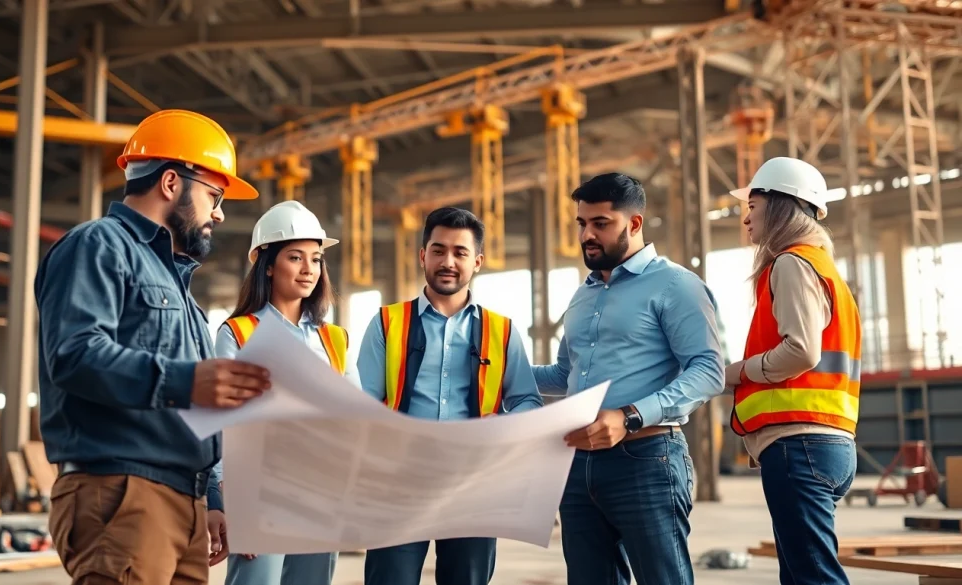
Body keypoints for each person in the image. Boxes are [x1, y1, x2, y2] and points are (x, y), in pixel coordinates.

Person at [35, 109, 271, 585]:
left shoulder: (178, 285)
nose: (219, 213)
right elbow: (74, 353)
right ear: (170, 183)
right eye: (213, 195)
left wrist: (214, 498)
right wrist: (188, 381)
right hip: (123, 491)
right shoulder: (98, 245)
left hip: (185, 500)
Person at [532, 172, 726, 585]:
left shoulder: (676, 285)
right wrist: (497, 373)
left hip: (647, 459)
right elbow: (565, 374)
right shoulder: (583, 295)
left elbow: (708, 371)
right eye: (582, 223)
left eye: (601, 223)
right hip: (578, 465)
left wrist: (630, 416)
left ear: (634, 224)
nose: (588, 234)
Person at [355, 206, 544, 585]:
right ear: (423, 255)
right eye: (438, 250)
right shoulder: (386, 323)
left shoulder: (502, 331)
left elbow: (527, 402)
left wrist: (503, 424)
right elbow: (362, 405)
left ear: (477, 261)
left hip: (474, 485)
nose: (448, 261)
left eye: (460, 252)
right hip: (397, 484)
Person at [725, 157, 861, 585]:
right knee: (802, 574)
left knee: (813, 578)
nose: (747, 216)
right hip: (827, 443)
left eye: (754, 204)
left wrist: (736, 372)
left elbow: (801, 352)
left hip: (800, 444)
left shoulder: (791, 263)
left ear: (781, 206)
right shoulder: (825, 270)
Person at [213, 200, 356, 585]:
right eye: (296, 257)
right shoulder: (238, 334)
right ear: (269, 264)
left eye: (316, 258)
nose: (309, 268)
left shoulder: (334, 339)